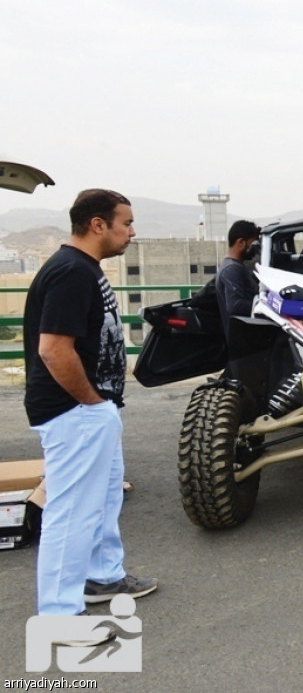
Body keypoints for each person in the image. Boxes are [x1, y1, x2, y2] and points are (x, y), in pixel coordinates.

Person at [23, 189, 158, 617]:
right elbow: (53, 349)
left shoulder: (85, 268)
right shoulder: (70, 273)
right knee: (72, 513)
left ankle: (102, 576)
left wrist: (102, 406)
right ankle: (60, 615)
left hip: (93, 410)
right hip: (75, 412)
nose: (132, 232)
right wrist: (92, 402)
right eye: (126, 223)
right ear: (98, 224)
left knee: (100, 501)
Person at [215, 219, 261, 337]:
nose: (256, 249)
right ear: (241, 242)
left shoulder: (232, 266)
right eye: (253, 244)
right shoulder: (232, 269)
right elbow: (235, 305)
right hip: (243, 340)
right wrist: (267, 306)